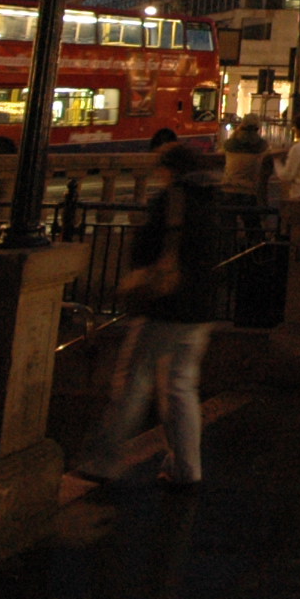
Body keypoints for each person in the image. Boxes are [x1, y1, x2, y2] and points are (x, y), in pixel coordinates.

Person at [80, 143, 224, 489]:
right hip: (201, 309)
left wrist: (139, 279)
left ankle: (104, 460)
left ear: (170, 170)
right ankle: (188, 467)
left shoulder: (171, 201)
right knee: (181, 387)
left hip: (166, 307)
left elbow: (144, 250)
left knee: (133, 380)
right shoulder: (212, 200)